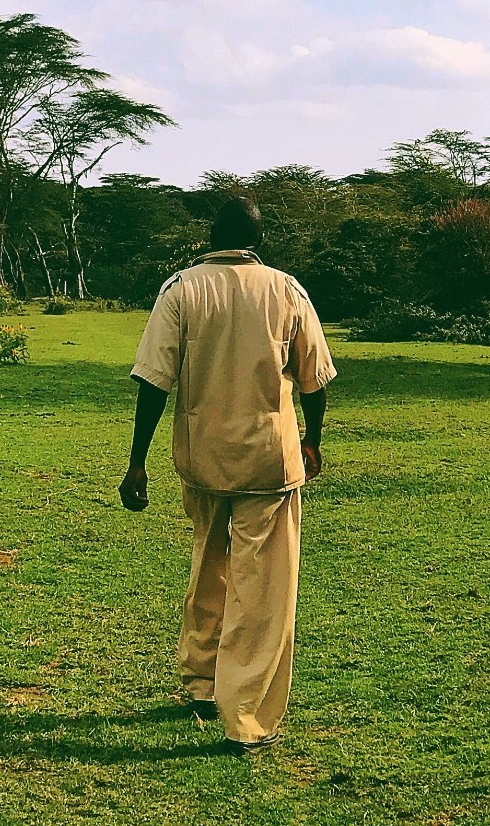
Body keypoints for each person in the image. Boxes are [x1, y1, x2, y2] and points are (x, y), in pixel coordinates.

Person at [118, 196, 336, 751]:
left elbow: (153, 380)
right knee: (262, 588)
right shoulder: (287, 290)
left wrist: (137, 460)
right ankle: (245, 717)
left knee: (209, 562)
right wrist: (313, 439)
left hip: (203, 456)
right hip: (270, 458)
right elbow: (315, 380)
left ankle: (200, 679)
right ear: (257, 240)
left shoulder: (181, 289)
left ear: (211, 235)